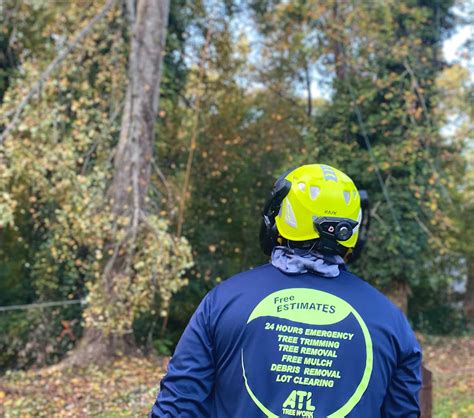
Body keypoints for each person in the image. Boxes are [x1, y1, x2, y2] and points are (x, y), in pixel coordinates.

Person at [150, 164, 422, 418]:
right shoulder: (391, 320)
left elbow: (177, 407)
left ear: (281, 217)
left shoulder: (223, 302)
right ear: (351, 229)